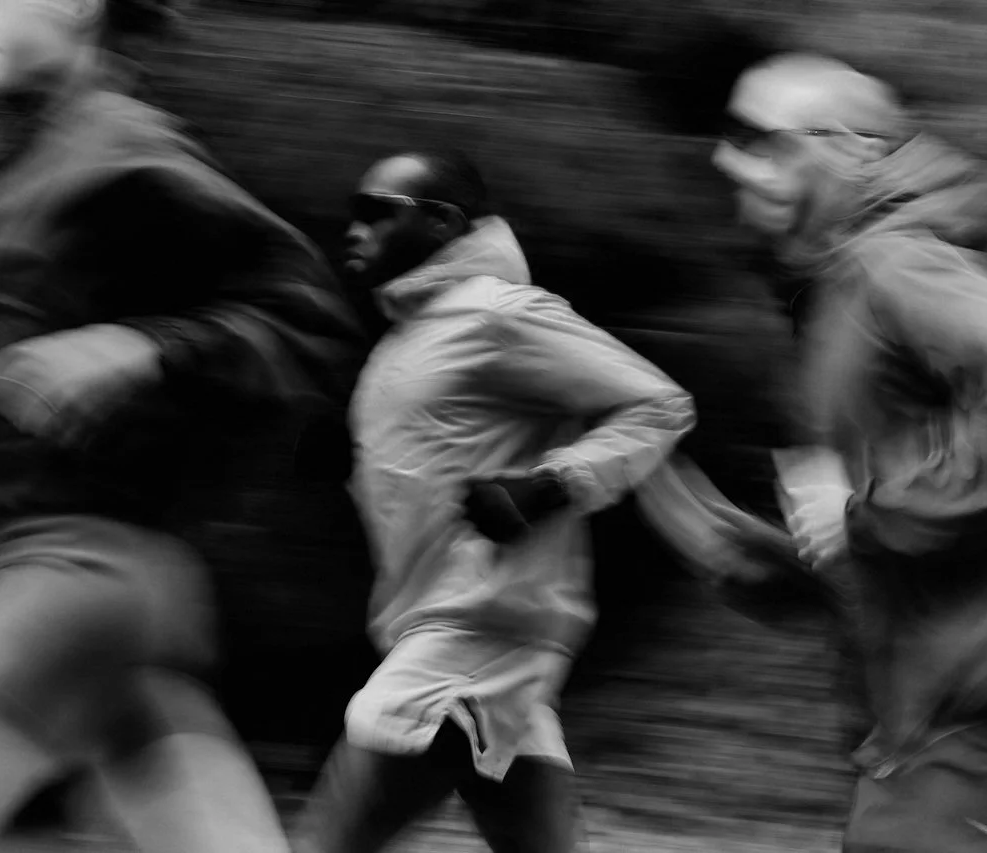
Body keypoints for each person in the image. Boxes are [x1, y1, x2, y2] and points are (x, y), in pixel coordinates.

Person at [0, 1, 363, 852]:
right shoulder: (27, 174)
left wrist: (143, 348)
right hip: (138, 603)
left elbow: (312, 322)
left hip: (65, 586)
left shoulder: (124, 147)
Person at [292, 150, 696, 853]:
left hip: (471, 635)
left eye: (376, 212)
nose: (353, 228)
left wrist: (551, 485)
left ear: (443, 222)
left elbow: (658, 404)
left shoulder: (499, 313)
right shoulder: (411, 337)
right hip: (453, 631)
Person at [714, 52, 987, 851]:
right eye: (728, 138)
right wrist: (792, 564)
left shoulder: (899, 265)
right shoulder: (841, 288)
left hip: (972, 724)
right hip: (923, 718)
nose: (729, 160)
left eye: (760, 138)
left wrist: (864, 515)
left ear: (852, 147)